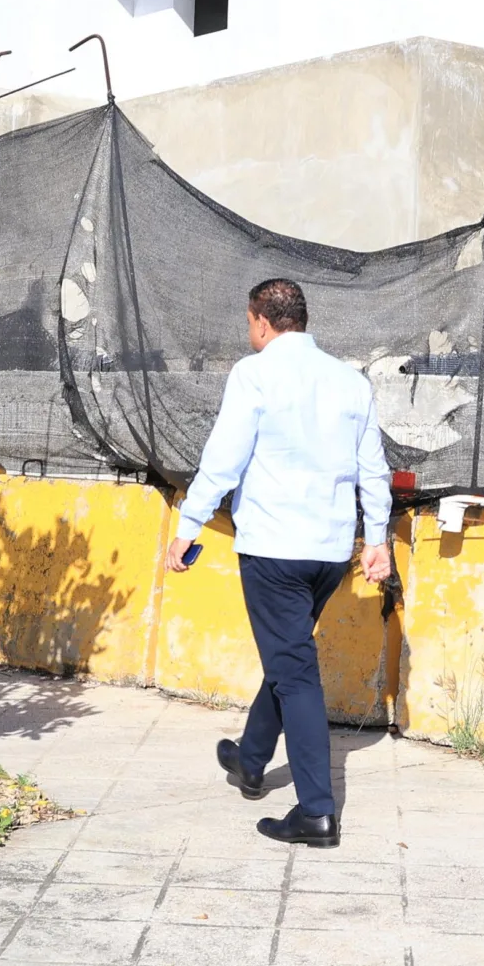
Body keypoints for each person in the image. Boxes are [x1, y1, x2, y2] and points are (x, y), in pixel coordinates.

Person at [165, 277, 391, 847]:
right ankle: (250, 759)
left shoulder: (254, 374)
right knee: (286, 653)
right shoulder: (351, 381)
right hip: (329, 554)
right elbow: (373, 468)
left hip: (273, 549)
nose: (250, 332)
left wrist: (188, 526)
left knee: (294, 671)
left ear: (262, 322)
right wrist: (378, 539)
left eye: (249, 323)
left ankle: (316, 811)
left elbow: (224, 459)